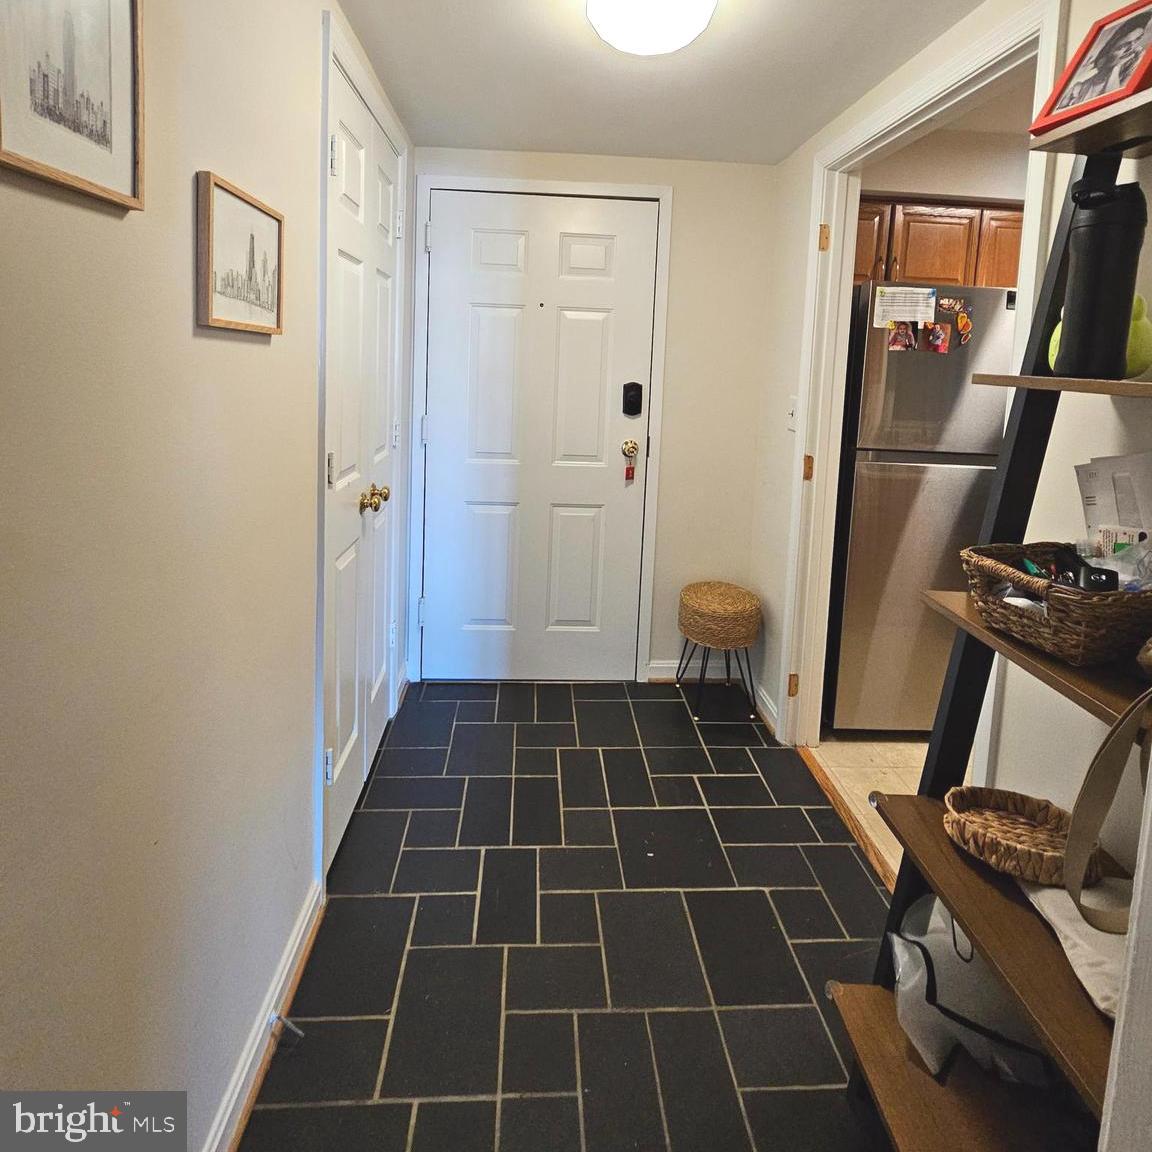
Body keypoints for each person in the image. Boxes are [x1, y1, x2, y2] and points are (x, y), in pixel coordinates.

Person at [1057, 13, 1152, 109]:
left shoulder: (1129, 76)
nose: (1132, 49)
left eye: (1137, 40)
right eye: (1122, 46)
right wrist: (1116, 67)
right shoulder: (1077, 90)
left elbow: (1119, 105)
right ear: (1107, 52)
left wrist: (1116, 69)